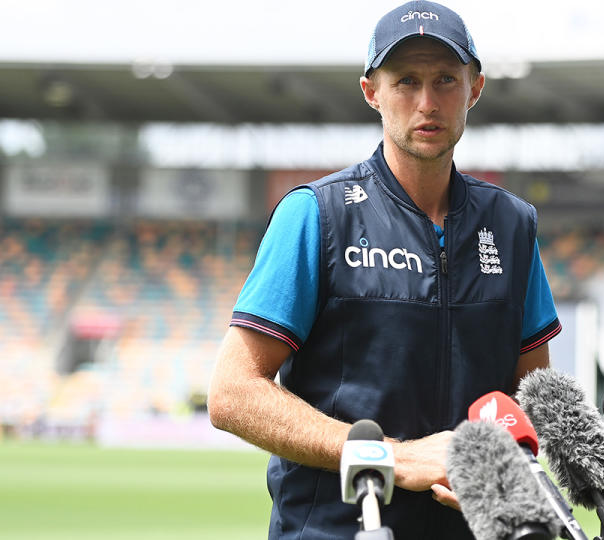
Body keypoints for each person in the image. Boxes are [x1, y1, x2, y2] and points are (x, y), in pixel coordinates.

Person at [207, 1, 561, 538]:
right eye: (405, 81)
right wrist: (394, 458)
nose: (427, 102)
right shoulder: (316, 213)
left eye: (446, 79)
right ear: (372, 91)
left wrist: (502, 466)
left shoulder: (512, 224)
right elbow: (232, 394)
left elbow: (531, 391)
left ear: (475, 88)